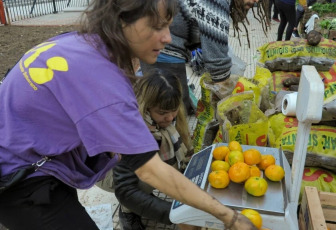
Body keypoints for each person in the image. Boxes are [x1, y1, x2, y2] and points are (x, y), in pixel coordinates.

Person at [0, 0, 256, 230]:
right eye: (157, 26)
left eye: (168, 26)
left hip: (37, 159)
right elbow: (149, 171)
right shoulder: (103, 82)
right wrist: (229, 217)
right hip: (18, 180)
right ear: (123, 19)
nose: (168, 37)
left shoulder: (79, 42)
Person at [140, 0, 270, 109]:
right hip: (161, 50)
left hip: (157, 45)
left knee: (172, 106)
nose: (257, 1)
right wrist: (233, 105)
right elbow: (217, 61)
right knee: (171, 111)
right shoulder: (216, 1)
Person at [114, 68, 196, 230]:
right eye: (163, 113)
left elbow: (183, 156)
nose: (170, 118)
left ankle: (144, 199)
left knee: (157, 172)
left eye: (174, 110)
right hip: (107, 171)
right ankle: (127, 211)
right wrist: (175, 215)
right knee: (147, 178)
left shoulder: (169, 117)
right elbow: (125, 188)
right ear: (146, 107)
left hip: (131, 164)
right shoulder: (132, 129)